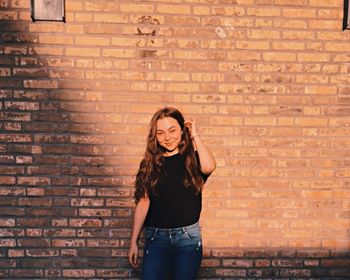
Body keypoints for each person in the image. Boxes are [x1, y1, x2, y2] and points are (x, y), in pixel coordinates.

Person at [128, 107, 216, 280]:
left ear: (183, 130)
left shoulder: (193, 161)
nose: (167, 138)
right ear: (155, 137)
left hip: (187, 240)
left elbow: (209, 167)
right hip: (156, 240)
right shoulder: (149, 165)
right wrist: (133, 241)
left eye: (172, 130)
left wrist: (195, 136)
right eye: (160, 133)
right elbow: (143, 202)